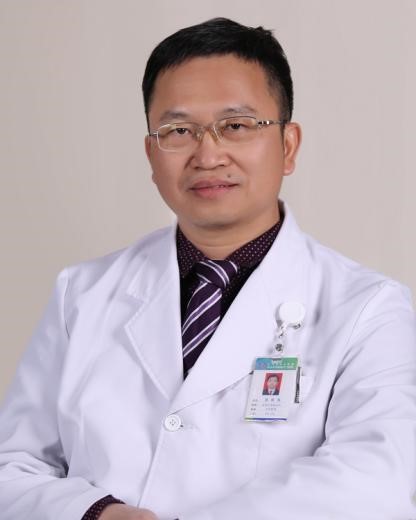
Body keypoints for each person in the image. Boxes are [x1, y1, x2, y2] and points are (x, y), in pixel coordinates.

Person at [0, 17, 415, 520]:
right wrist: (96, 513)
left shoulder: (370, 309)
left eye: (236, 126)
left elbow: (374, 481)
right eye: (179, 131)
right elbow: (13, 468)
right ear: (152, 153)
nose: (208, 154)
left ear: (288, 146)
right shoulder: (82, 294)